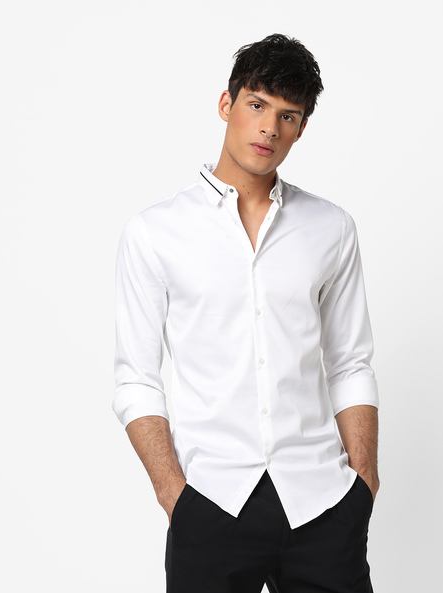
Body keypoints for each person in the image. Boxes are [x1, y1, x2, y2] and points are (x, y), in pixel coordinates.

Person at [113, 33, 379, 593]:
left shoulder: (331, 228)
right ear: (226, 104)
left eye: (288, 116)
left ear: (300, 129)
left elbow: (351, 363)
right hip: (212, 504)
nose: (269, 128)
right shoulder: (155, 232)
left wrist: (363, 482)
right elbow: (136, 379)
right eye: (257, 105)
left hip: (323, 503)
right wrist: (173, 494)